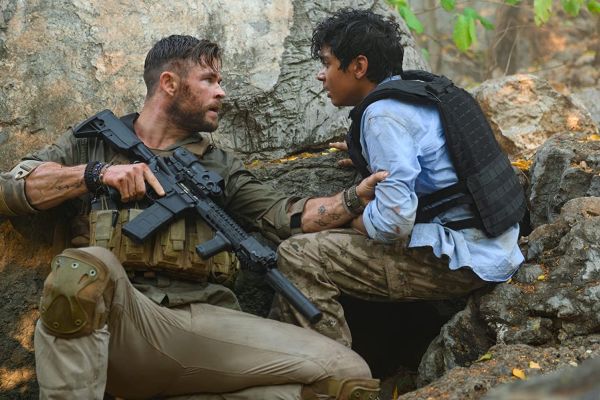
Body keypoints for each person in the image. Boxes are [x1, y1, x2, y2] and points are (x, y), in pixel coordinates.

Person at [0, 35, 385, 399]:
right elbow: (10, 189)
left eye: (221, 81)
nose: (221, 92)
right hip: (120, 322)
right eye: (209, 80)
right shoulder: (93, 143)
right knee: (81, 270)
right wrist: (96, 174)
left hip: (201, 328)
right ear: (169, 83)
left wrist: (354, 198)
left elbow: (285, 215)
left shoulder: (218, 165)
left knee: (348, 375)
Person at [275, 8, 525, 348]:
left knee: (298, 255)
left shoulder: (383, 116)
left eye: (327, 63)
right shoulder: (420, 90)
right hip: (496, 241)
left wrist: (352, 220)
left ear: (359, 66)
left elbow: (394, 223)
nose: (321, 75)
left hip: (465, 260)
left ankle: (331, 370)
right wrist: (367, 153)